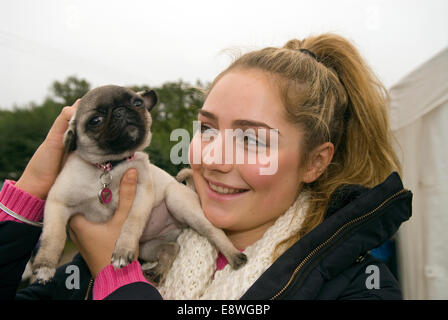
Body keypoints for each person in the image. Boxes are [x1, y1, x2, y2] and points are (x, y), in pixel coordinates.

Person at [0, 33, 412, 300]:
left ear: (315, 162)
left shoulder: (359, 288)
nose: (212, 158)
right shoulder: (132, 237)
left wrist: (118, 282)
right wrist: (32, 190)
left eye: (251, 139)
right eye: (208, 129)